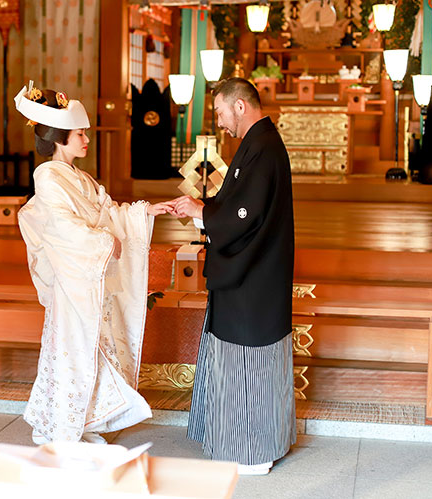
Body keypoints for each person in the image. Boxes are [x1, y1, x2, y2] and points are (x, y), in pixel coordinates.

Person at [13, 82, 171, 444]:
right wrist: (103, 240)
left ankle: (80, 422)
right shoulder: (48, 177)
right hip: (72, 282)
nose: (86, 139)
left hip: (86, 279)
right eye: (80, 134)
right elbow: (62, 228)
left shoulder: (79, 177)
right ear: (59, 138)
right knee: (75, 350)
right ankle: (63, 424)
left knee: (89, 349)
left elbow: (107, 212)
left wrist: (145, 212)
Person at [168, 77, 296, 475]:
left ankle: (254, 452)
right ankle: (239, 441)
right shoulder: (258, 143)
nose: (220, 122)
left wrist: (200, 212)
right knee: (241, 363)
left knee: (249, 365)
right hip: (253, 273)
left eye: (221, 112)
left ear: (240, 106)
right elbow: (236, 205)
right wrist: (201, 206)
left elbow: (246, 214)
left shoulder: (263, 147)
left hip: (254, 279)